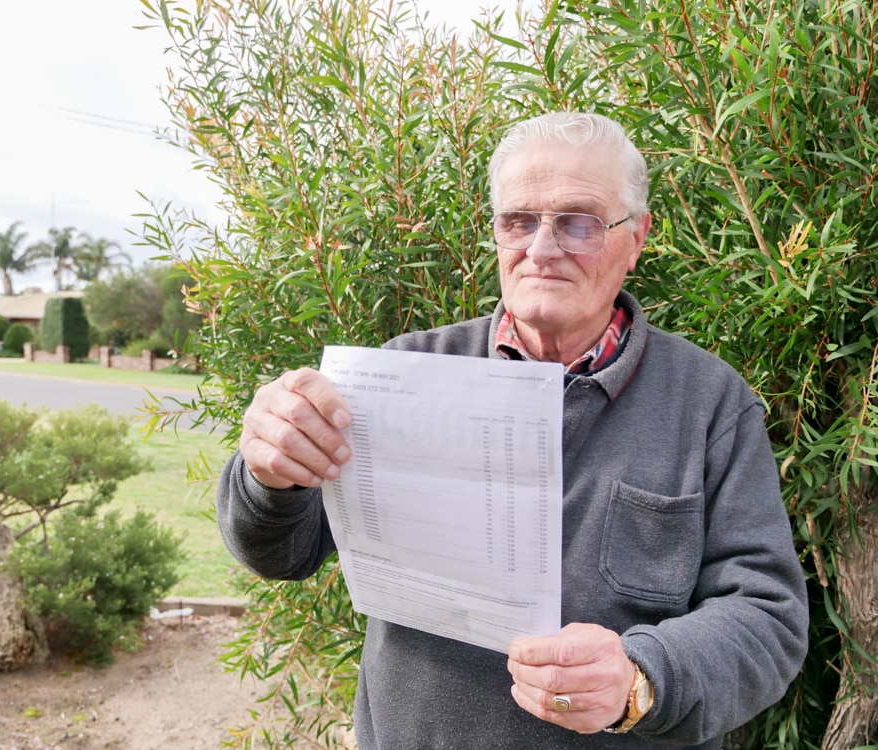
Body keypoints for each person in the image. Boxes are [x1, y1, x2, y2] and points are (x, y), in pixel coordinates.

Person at [217, 112, 809, 748]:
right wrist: (269, 474)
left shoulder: (709, 404)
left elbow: (766, 617)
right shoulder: (406, 372)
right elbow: (282, 552)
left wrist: (639, 679)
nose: (542, 248)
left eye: (578, 222)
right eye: (519, 221)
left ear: (635, 239)